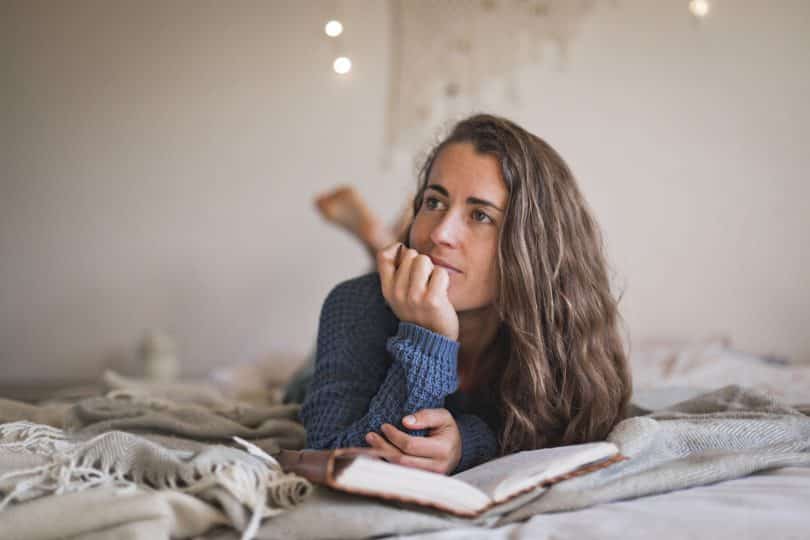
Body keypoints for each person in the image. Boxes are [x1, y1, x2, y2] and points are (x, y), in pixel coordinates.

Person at [298, 114, 632, 474]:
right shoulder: (354, 305)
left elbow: (569, 431)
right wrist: (427, 339)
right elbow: (335, 456)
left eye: (481, 215)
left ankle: (383, 245)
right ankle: (382, 246)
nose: (440, 233)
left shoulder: (559, 320)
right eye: (434, 202)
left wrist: (468, 442)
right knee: (299, 383)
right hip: (329, 360)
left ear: (534, 244)